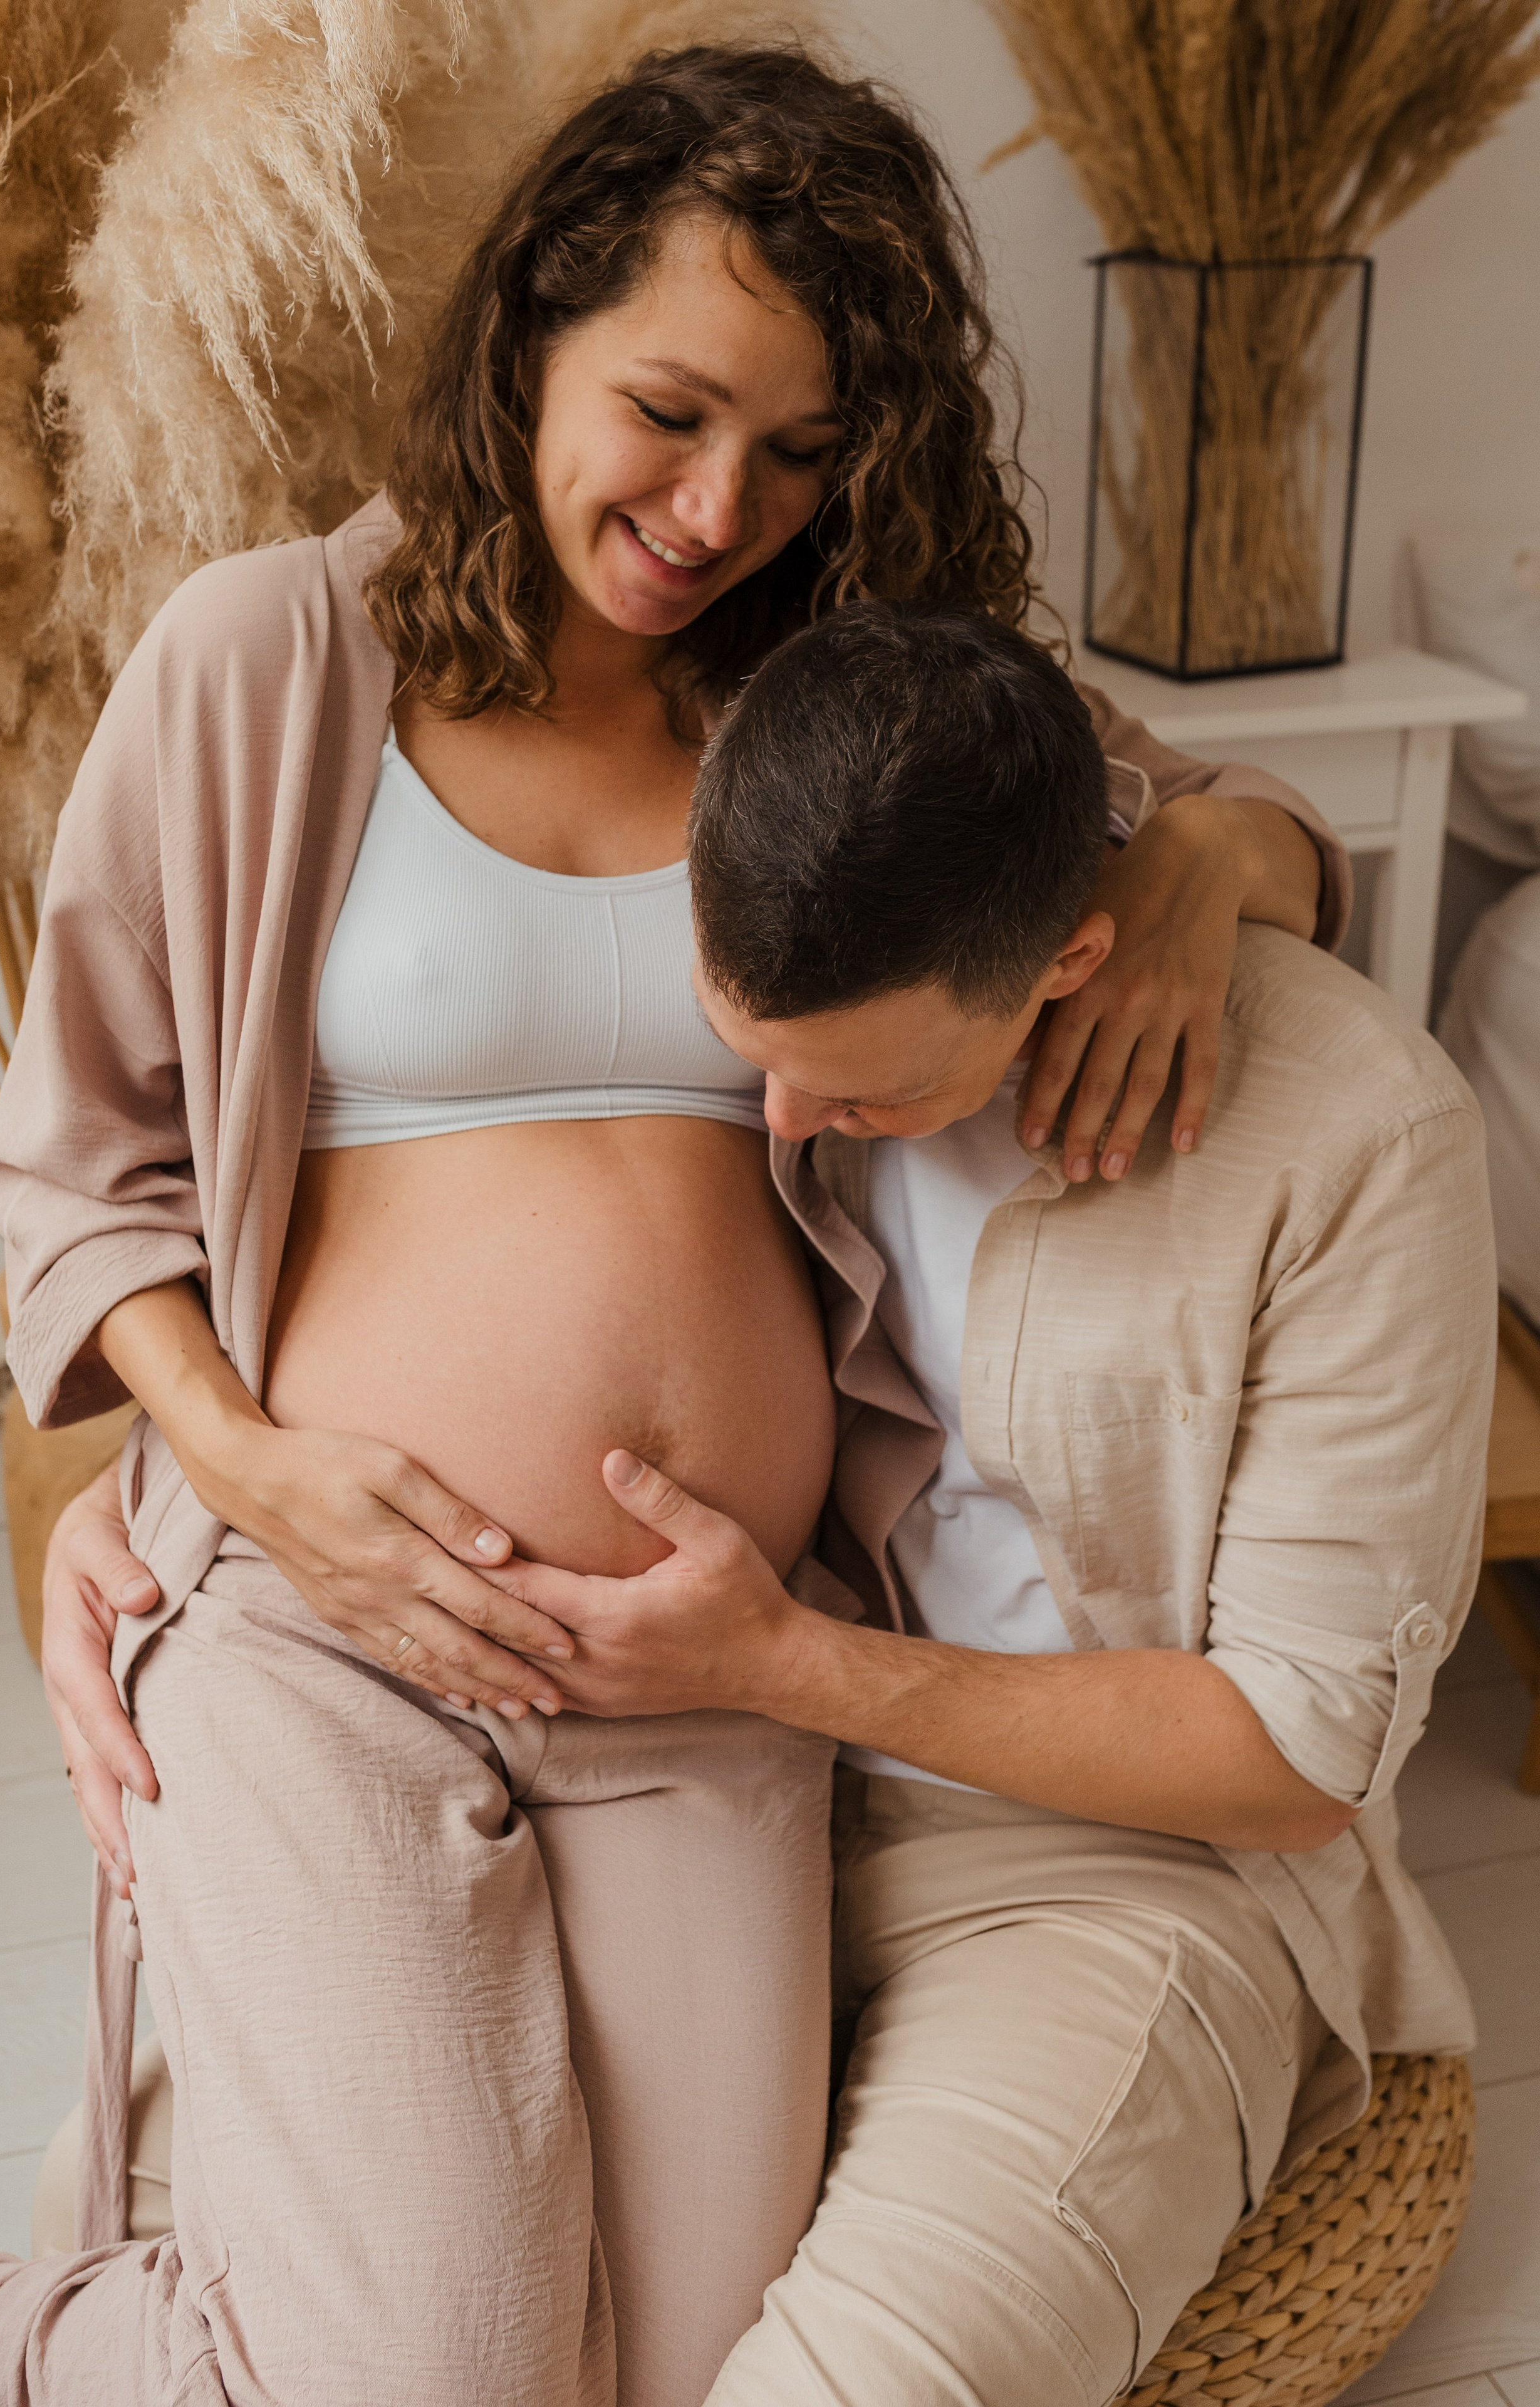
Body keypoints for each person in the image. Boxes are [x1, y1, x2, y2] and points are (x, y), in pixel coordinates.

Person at [0, 48, 1346, 2407]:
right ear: (530, 343)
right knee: (444, 2372)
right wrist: (243, 1469)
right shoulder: (274, 660)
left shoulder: (843, 710)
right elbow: (73, 1152)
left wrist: (1209, 862)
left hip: (709, 1672)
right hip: (328, 1626)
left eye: (799, 453)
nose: (719, 508)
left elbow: (1242, 814)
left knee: (697, 2373)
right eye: (671, 411)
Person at [455, 602, 1487, 2405]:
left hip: (1110, 1875)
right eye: (750, 1049)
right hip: (691, 1786)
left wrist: (791, 1666)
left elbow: (1294, 1763)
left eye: (863, 1087)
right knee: (382, 2289)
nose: (782, 1112)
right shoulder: (792, 934)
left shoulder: (1361, 1143)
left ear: (1076, 956)